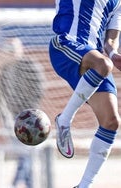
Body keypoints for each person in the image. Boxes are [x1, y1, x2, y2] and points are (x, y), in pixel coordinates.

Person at [49, 0, 121, 187]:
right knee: (104, 65)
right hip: (65, 45)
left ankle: (84, 185)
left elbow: (111, 40)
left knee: (111, 121)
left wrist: (114, 54)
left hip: (94, 58)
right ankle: (64, 120)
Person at [0, 37, 45, 188]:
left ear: (20, 49)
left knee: (26, 150)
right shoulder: (5, 70)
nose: (11, 52)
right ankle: (29, 184)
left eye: (13, 49)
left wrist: (30, 111)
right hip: (11, 116)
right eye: (8, 50)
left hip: (28, 116)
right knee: (22, 152)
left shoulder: (31, 66)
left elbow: (38, 89)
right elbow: (0, 93)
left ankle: (16, 182)